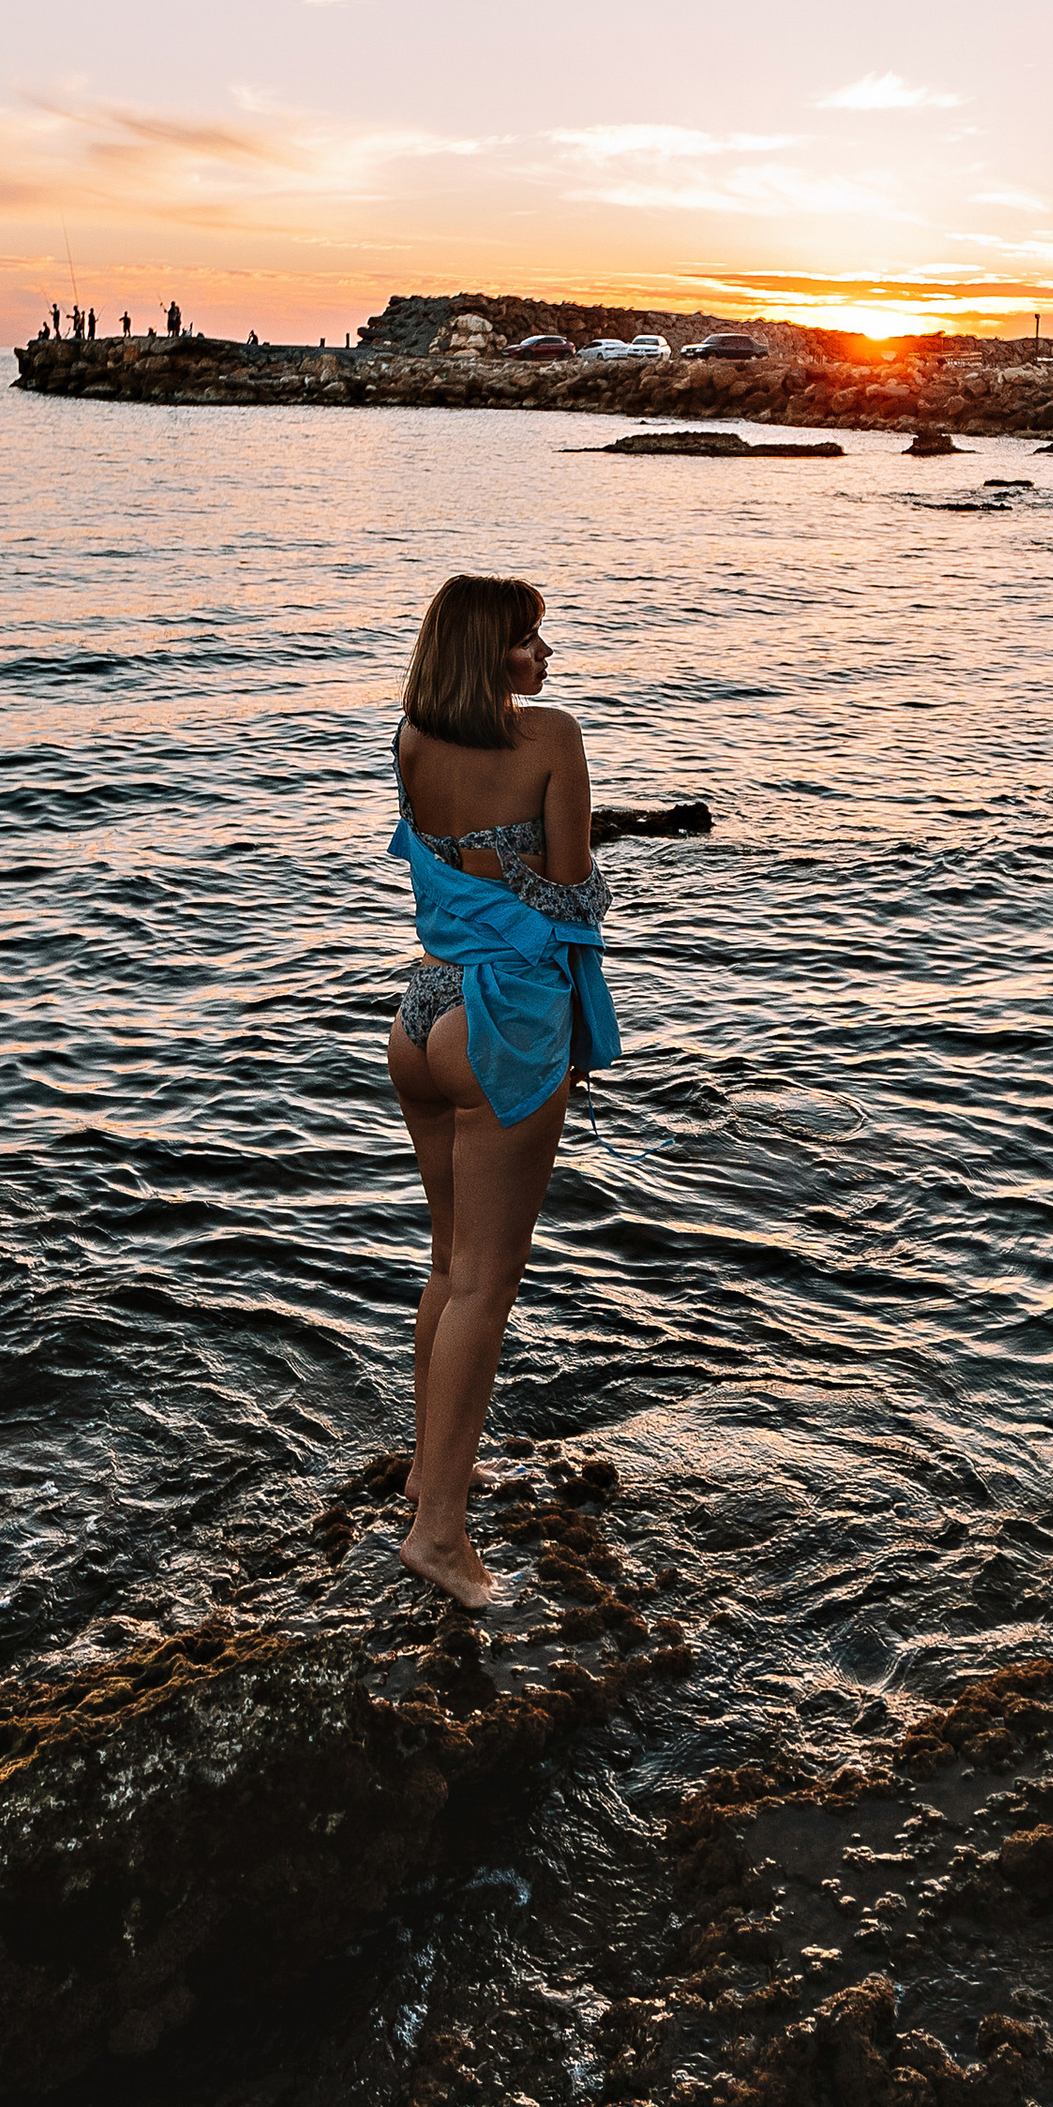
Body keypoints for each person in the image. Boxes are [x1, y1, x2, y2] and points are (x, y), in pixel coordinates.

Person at [386, 576, 618, 1607]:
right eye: (530, 640)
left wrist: (488, 863)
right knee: (486, 1283)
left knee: (449, 1266)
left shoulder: (410, 738)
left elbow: (447, 867)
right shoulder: (550, 738)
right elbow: (570, 891)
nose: (546, 655)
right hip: (503, 1023)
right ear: (489, 654)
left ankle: (427, 1471)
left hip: (421, 1011)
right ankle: (439, 1533)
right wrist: (546, 871)